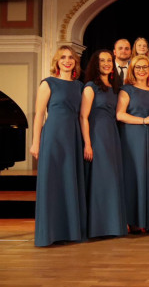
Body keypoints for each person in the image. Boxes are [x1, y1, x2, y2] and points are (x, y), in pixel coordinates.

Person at [31, 46, 86, 246]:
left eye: (71, 57)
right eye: (63, 57)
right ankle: (50, 233)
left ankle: (70, 232)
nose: (67, 60)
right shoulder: (48, 83)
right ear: (57, 61)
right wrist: (35, 142)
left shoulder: (80, 86)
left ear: (75, 62)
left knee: (69, 180)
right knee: (52, 183)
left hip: (73, 136)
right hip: (53, 136)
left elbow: (83, 115)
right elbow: (39, 115)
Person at [80, 50, 127, 239]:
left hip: (113, 135)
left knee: (113, 179)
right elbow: (83, 116)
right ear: (95, 64)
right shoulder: (91, 87)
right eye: (102, 60)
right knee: (101, 179)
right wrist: (88, 144)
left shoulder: (116, 86)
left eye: (109, 60)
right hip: (97, 135)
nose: (107, 63)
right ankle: (99, 227)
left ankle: (113, 226)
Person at [116, 55, 149, 233]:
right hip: (132, 137)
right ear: (132, 70)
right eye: (138, 67)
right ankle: (134, 221)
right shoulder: (126, 90)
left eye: (145, 67)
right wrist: (144, 120)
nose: (142, 70)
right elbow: (120, 115)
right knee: (134, 176)